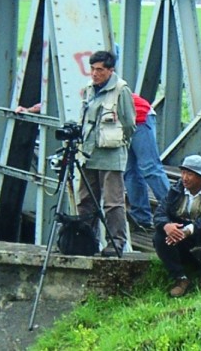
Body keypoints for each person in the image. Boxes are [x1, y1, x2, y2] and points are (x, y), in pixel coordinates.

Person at [78, 50, 136, 257]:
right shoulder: (89, 89)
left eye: (100, 70)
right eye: (92, 69)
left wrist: (120, 143)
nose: (95, 73)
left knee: (113, 202)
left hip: (111, 154)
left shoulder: (121, 90)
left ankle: (116, 243)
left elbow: (129, 123)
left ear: (110, 70)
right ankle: (85, 240)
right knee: (85, 201)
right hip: (89, 152)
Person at [153, 155, 201, 297]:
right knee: (159, 237)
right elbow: (159, 213)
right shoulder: (175, 190)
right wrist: (167, 226)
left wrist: (190, 229)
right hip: (180, 237)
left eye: (190, 174)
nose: (184, 178)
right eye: (183, 173)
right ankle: (180, 278)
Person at [125, 93, 170, 230]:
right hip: (122, 124)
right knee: (130, 172)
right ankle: (141, 218)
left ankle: (174, 212)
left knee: (149, 167)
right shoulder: (91, 91)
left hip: (140, 117)